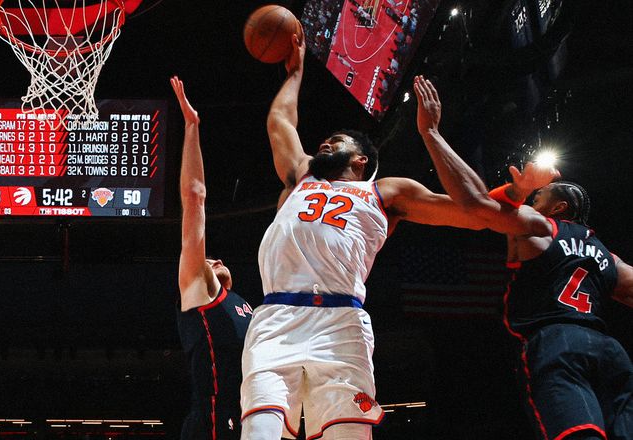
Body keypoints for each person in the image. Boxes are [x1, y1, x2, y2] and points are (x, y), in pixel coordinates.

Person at [238, 34, 550, 439]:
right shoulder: (303, 175)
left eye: (337, 141)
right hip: (277, 315)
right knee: (259, 431)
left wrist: (434, 135)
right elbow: (280, 121)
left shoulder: (386, 192)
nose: (325, 143)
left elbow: (474, 213)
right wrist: (295, 72)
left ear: (361, 159)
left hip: (340, 323)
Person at [485, 177, 633, 440]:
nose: (533, 199)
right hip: (609, 350)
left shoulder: (542, 227)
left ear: (558, 207)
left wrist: (519, 187)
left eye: (539, 196)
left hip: (557, 342)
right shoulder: (609, 257)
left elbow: (484, 207)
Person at [171, 76, 253, 440]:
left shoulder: (246, 305)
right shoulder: (197, 291)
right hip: (213, 421)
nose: (213, 258)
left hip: (253, 416)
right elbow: (195, 197)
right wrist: (192, 127)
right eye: (207, 259)